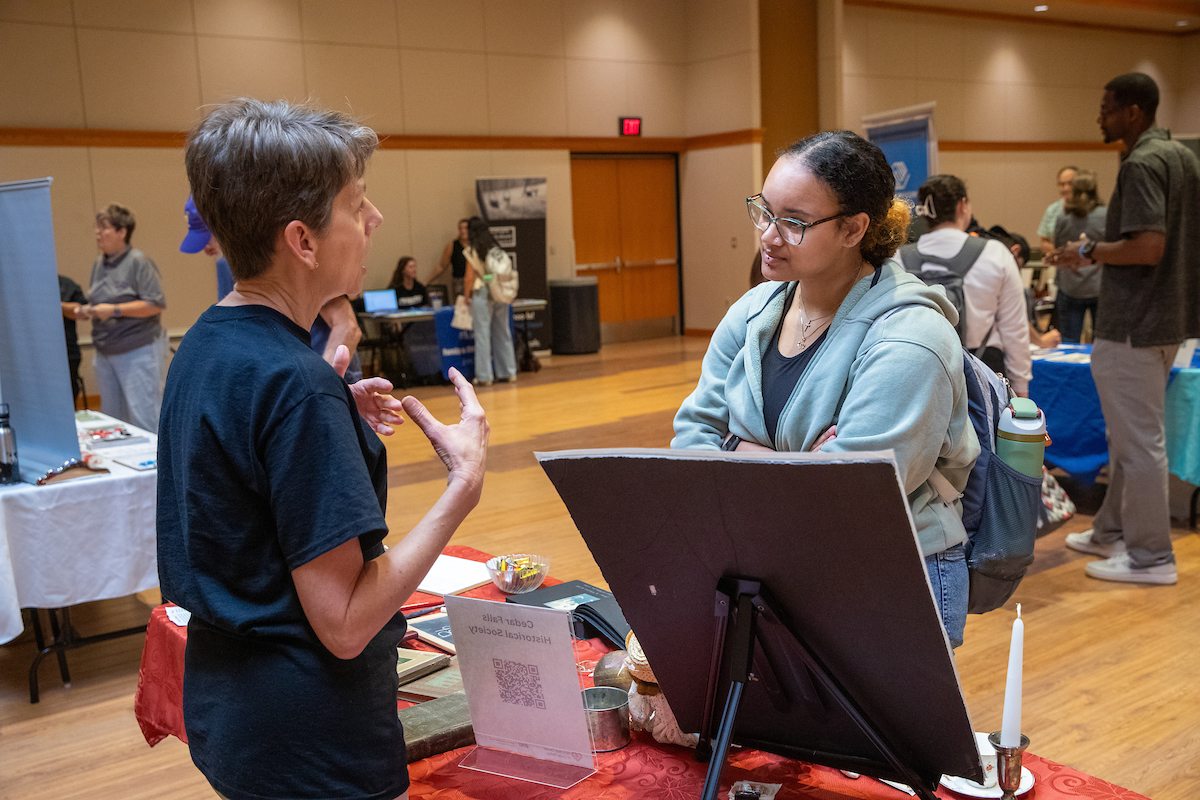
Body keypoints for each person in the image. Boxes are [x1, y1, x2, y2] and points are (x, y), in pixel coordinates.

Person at [159, 99, 490, 800]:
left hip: (231, 708)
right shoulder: (295, 385)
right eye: (357, 204)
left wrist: (330, 414)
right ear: (303, 241)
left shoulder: (207, 343)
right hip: (311, 740)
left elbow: (246, 497)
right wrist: (462, 485)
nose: (373, 221)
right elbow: (343, 623)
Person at [672, 130, 980, 648]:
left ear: (854, 228)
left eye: (793, 223)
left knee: (876, 731)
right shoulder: (753, 312)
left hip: (889, 575)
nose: (768, 236)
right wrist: (796, 463)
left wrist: (739, 446)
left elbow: (844, 498)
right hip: (773, 564)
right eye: (764, 212)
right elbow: (691, 440)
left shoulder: (911, 338)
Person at [1051, 72, 1200, 585]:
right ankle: (1110, 529)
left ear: (1133, 111)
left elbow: (1148, 246)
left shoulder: (1141, 162)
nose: (1100, 115)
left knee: (1138, 446)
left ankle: (1152, 558)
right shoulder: (1182, 156)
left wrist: (1089, 250)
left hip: (1135, 324)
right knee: (1127, 439)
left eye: (1107, 106)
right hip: (1167, 321)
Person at [181, 193, 366, 382]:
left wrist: (323, 383)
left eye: (207, 239)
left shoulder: (284, 258)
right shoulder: (225, 264)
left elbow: (347, 327)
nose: (206, 250)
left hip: (323, 374)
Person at [906, 175, 1032, 396]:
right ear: (962, 205)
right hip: (985, 375)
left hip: (918, 374)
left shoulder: (899, 258)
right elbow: (1015, 331)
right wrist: (1021, 391)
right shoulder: (995, 253)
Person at [85, 204, 168, 432]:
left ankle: (157, 466)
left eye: (104, 228)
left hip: (136, 350)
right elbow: (98, 300)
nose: (98, 233)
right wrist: (89, 310)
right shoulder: (98, 263)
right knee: (113, 422)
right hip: (104, 350)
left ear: (122, 232)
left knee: (144, 418)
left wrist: (114, 310)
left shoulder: (138, 261)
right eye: (97, 228)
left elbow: (155, 303)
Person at [1051, 170, 1105, 343]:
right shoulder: (1106, 215)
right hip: (1100, 285)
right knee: (1102, 341)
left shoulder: (1063, 218)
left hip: (1070, 286)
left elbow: (1058, 249)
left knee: (1069, 342)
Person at [463, 216, 517, 387]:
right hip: (500, 292)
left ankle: (485, 376)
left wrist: (466, 296)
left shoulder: (472, 250)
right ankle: (508, 372)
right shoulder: (496, 249)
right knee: (503, 332)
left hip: (483, 292)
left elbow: (469, 278)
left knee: (482, 335)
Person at [59, 275, 89, 402]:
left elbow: (82, 312)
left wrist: (54, 304)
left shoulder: (66, 284)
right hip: (34, 355)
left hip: (68, 352)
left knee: (69, 395)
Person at [1036, 165, 1078, 255]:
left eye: (1070, 183)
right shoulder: (1052, 210)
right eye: (1062, 184)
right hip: (1058, 261)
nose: (1066, 188)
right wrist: (1063, 252)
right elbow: (1043, 243)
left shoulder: (1090, 209)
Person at [431, 218, 470, 302]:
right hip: (459, 283)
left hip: (475, 282)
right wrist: (427, 281)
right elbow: (441, 266)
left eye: (465, 228)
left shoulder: (476, 246)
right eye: (460, 228)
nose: (463, 231)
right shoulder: (452, 245)